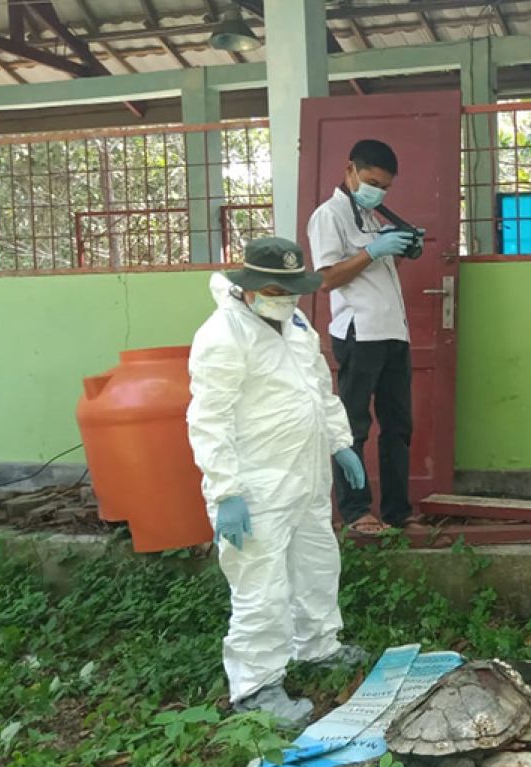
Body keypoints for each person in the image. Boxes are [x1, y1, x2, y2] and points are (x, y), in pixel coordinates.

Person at [187, 237, 370, 727]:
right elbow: (209, 419)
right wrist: (225, 492)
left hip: (305, 478)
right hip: (256, 489)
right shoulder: (222, 336)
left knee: (317, 563)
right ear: (248, 288)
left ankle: (317, 646)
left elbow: (319, 388)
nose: (287, 297)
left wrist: (340, 442)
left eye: (293, 289)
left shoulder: (296, 323)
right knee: (260, 588)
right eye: (276, 289)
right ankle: (256, 688)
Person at [306, 139, 421, 534]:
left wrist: (401, 247)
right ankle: (356, 513)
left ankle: (397, 511)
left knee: (398, 426)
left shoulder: (374, 216)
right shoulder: (329, 215)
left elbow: (376, 278)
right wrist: (374, 251)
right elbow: (325, 279)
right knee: (353, 425)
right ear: (350, 169)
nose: (378, 191)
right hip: (359, 332)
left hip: (392, 332)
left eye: (386, 186)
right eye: (372, 181)